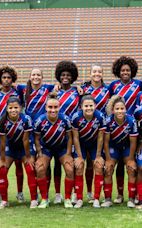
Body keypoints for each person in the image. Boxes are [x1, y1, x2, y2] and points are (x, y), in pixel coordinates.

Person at [109, 56, 142, 204]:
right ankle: (119, 195)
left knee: (132, 164)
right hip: (117, 127)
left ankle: (137, 194)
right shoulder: (113, 86)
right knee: (116, 165)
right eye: (123, 70)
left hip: (132, 127)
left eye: (128, 70)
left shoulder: (139, 84)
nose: (125, 72)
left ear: (132, 71)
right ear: (118, 71)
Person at [33, 92, 75, 208]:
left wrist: (68, 153)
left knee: (70, 168)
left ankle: (67, 199)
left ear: (59, 107)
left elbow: (70, 137)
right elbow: (36, 138)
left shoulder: (65, 119)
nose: (53, 110)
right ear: (46, 107)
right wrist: (40, 153)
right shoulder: (39, 120)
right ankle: (44, 199)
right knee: (40, 168)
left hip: (61, 148)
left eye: (55, 107)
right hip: (46, 148)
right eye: (50, 107)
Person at [0, 66, 25, 204]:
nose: (6, 80)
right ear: (0, 79)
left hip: (17, 131)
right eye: (4, 78)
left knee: (18, 163)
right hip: (1, 133)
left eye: (9, 78)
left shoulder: (18, 92)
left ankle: (20, 192)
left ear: (13, 79)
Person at [0, 97, 37, 209]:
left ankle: (34, 199)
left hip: (24, 148)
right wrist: (2, 158)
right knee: (1, 169)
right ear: (7, 108)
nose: (13, 110)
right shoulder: (2, 120)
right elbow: (2, 141)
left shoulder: (26, 119)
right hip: (10, 147)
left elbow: (25, 140)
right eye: (10, 108)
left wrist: (28, 157)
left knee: (30, 168)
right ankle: (4, 200)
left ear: (20, 108)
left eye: (16, 107)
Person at [52, 61, 81, 204]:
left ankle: (75, 192)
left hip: (73, 133)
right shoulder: (54, 92)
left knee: (73, 163)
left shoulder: (77, 91)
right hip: (57, 133)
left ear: (73, 77)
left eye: (68, 75)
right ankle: (58, 194)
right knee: (57, 164)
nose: (65, 77)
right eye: (63, 75)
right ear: (58, 76)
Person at [80, 64, 110, 202]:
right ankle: (89, 192)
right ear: (90, 73)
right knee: (86, 165)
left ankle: (102, 193)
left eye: (99, 72)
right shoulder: (84, 88)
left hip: (100, 130)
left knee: (99, 163)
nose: (96, 74)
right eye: (94, 71)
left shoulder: (107, 89)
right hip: (85, 131)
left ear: (102, 74)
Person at [102, 95, 138, 208]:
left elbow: (133, 142)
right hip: (113, 147)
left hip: (127, 147)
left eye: (122, 108)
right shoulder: (108, 121)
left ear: (125, 109)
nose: (120, 111)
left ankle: (131, 199)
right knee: (108, 169)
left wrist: (131, 159)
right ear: (113, 110)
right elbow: (106, 142)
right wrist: (107, 159)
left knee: (131, 169)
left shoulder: (131, 121)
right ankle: (108, 199)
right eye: (117, 109)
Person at [71, 95, 106, 208]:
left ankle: (96, 198)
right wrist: (80, 156)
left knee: (99, 166)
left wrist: (98, 155)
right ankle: (79, 198)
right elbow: (75, 138)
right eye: (86, 106)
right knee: (79, 166)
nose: (89, 108)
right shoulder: (76, 117)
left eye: (91, 105)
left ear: (95, 106)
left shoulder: (100, 116)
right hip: (81, 144)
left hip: (94, 144)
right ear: (81, 107)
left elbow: (101, 137)